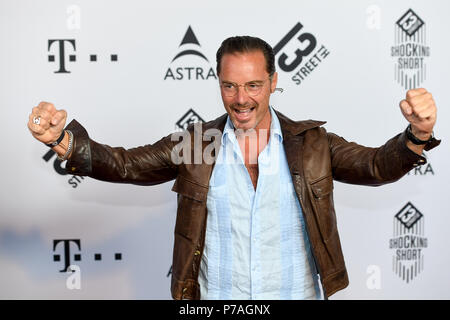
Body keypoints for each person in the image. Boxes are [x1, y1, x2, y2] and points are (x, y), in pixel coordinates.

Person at [27, 36, 439, 300]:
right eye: (230, 85)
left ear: (273, 82)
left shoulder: (312, 144)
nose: (241, 98)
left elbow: (375, 165)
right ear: (220, 84)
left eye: (253, 85)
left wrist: (417, 133)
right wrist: (63, 141)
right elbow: (125, 165)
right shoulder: (198, 143)